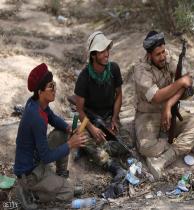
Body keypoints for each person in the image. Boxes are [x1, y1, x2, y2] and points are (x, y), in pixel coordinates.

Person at [14, 63, 87, 209]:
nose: (54, 89)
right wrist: (70, 144)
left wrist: (68, 128)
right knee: (68, 192)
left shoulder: (36, 102)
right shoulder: (36, 118)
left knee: (61, 133)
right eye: (50, 86)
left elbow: (53, 118)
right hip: (29, 174)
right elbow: (47, 156)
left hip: (36, 160)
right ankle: (28, 191)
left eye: (54, 85)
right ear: (40, 91)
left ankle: (59, 177)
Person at [133, 31, 194, 179]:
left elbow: (187, 82)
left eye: (163, 51)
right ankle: (182, 144)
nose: (163, 56)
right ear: (149, 55)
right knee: (146, 147)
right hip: (148, 114)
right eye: (158, 54)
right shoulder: (140, 69)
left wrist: (169, 104)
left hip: (170, 110)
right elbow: (157, 96)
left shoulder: (169, 58)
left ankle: (167, 157)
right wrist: (180, 83)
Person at [74, 31, 131, 198]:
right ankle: (114, 168)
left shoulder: (114, 69)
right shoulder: (84, 77)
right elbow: (79, 109)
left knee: (126, 143)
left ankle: (97, 150)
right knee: (84, 139)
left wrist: (114, 118)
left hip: (107, 118)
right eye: (102, 51)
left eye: (107, 50)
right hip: (89, 120)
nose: (107, 54)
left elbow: (119, 94)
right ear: (93, 55)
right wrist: (91, 129)